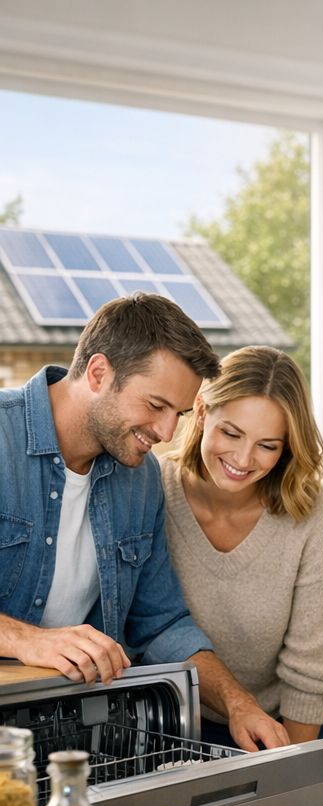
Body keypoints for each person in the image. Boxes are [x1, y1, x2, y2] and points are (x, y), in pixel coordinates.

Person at [0, 292, 290, 752]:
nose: (167, 432)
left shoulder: (142, 478)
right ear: (98, 373)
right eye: (155, 405)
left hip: (70, 740)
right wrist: (23, 639)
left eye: (178, 413)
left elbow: (160, 624)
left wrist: (238, 703)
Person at [160, 346, 323, 806]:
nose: (242, 459)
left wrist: (287, 783)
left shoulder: (314, 515)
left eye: (267, 445)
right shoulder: (153, 491)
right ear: (203, 412)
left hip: (309, 714)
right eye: (231, 434)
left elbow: (312, 667)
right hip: (194, 720)